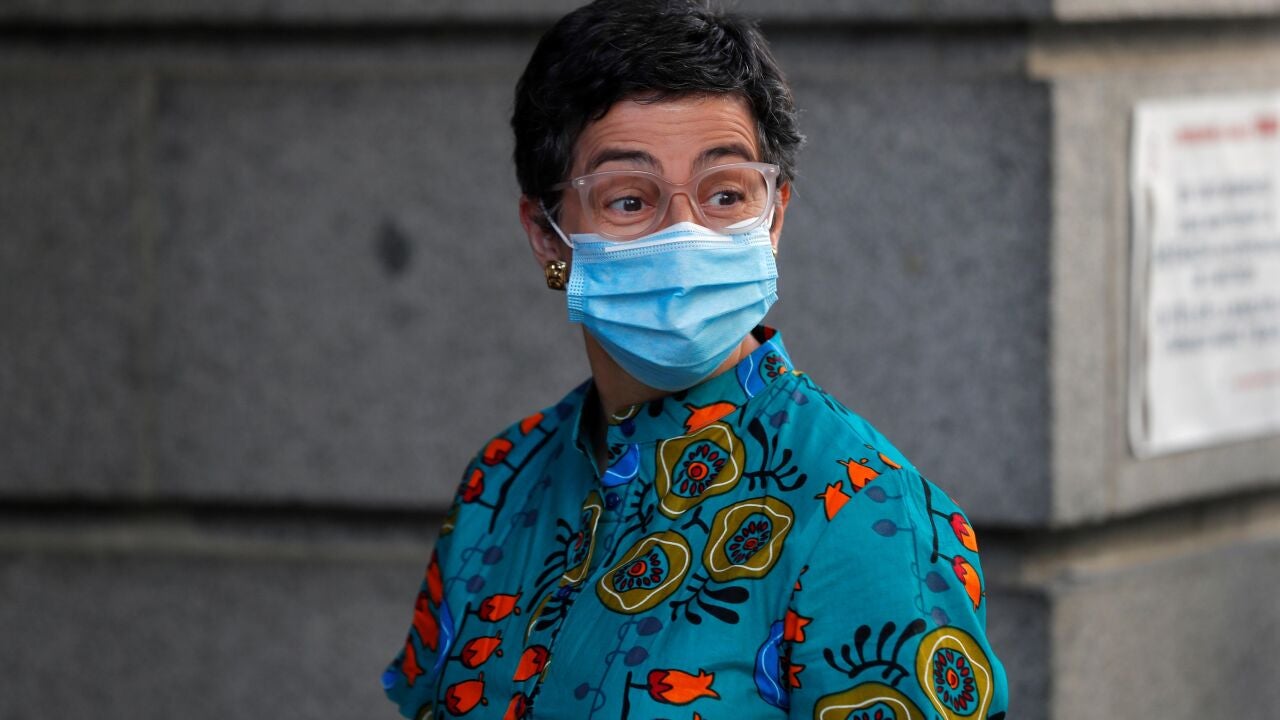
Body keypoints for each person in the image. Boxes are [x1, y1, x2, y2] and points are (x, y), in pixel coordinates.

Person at [382, 1, 1009, 718]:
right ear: (549, 237)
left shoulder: (862, 512)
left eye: (725, 194)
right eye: (628, 200)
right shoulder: (502, 481)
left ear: (773, 217)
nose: (684, 234)